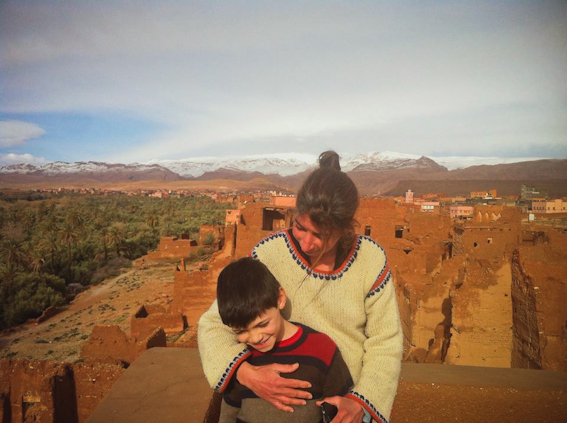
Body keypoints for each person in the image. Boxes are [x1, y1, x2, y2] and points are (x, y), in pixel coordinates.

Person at [199, 151, 403, 423]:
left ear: (344, 229)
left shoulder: (370, 259)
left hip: (346, 404)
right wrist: (246, 374)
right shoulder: (269, 254)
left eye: (320, 235)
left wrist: (360, 401)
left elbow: (385, 341)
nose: (306, 243)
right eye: (300, 227)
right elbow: (215, 324)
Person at [215, 257, 353, 423]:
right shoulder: (240, 358)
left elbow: (342, 407)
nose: (255, 338)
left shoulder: (322, 349)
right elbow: (229, 412)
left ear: (280, 299)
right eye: (241, 331)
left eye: (263, 324)